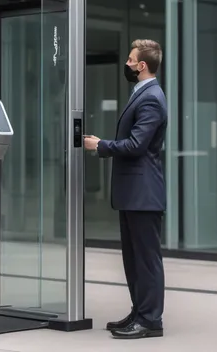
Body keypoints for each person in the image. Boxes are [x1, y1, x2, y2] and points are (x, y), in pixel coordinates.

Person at [84, 39, 167, 340]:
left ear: (142, 65)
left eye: (132, 60)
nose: (128, 64)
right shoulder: (142, 93)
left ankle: (150, 320)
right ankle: (139, 312)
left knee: (146, 259)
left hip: (143, 194)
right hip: (134, 193)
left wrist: (100, 146)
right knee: (133, 259)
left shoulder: (151, 99)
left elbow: (137, 145)